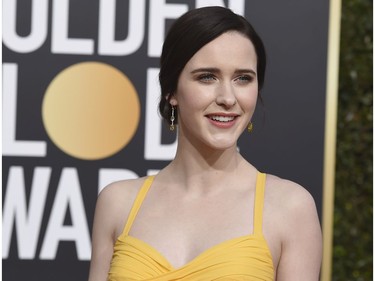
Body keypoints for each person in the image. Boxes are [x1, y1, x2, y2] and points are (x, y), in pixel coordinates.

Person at [88, 6, 322, 281]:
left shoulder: (290, 207)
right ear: (171, 90)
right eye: (207, 77)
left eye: (243, 78)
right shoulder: (117, 203)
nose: (227, 97)